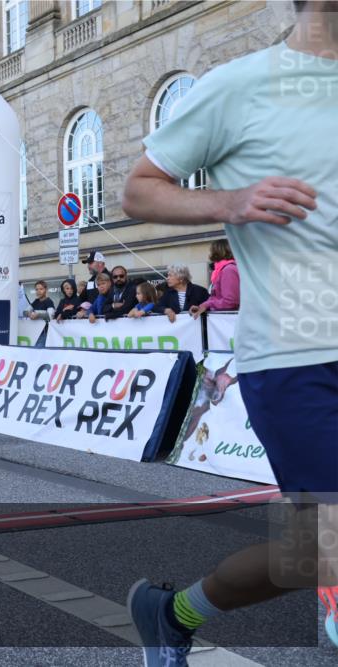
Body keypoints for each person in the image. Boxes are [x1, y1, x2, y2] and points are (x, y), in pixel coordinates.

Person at [121, 1, 338, 660]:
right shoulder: (243, 85)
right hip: (298, 356)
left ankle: (172, 611)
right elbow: (138, 189)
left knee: (312, 550)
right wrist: (231, 202)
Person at [191, 239, 240, 318]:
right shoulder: (221, 269)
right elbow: (216, 297)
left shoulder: (228, 270)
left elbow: (230, 302)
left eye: (211, 250)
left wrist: (208, 304)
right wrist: (202, 306)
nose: (209, 254)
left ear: (218, 251)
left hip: (228, 321)